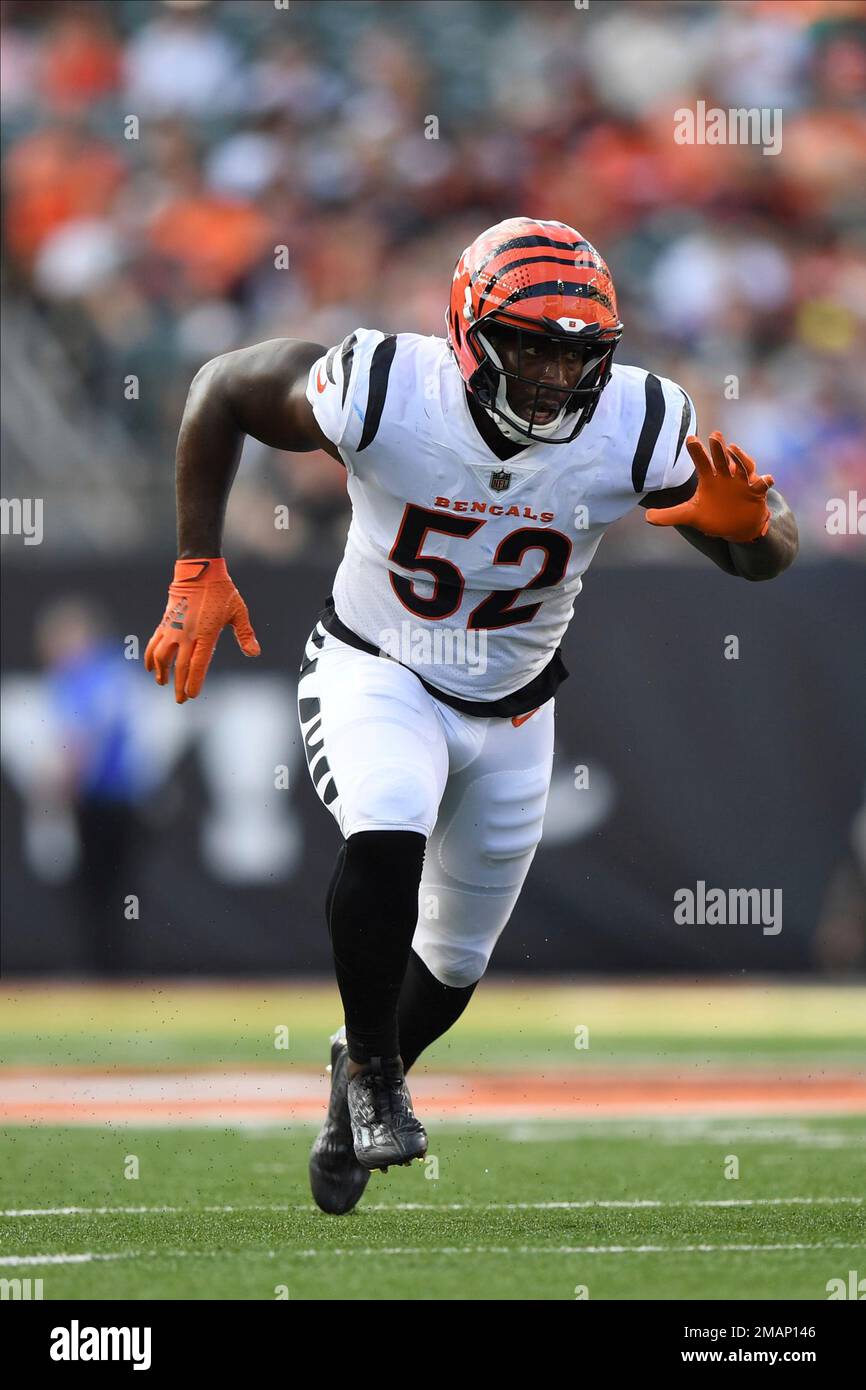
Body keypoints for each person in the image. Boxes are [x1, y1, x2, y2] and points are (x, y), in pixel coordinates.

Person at [144, 216, 799, 1214]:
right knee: (387, 819)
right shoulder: (382, 389)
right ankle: (373, 1073)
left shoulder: (640, 420)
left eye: (578, 353)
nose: (552, 374)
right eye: (531, 345)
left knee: (453, 961)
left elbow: (766, 550)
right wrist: (197, 564)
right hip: (377, 664)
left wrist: (750, 531)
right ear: (466, 331)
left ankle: (355, 1069)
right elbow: (222, 389)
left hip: (514, 703)